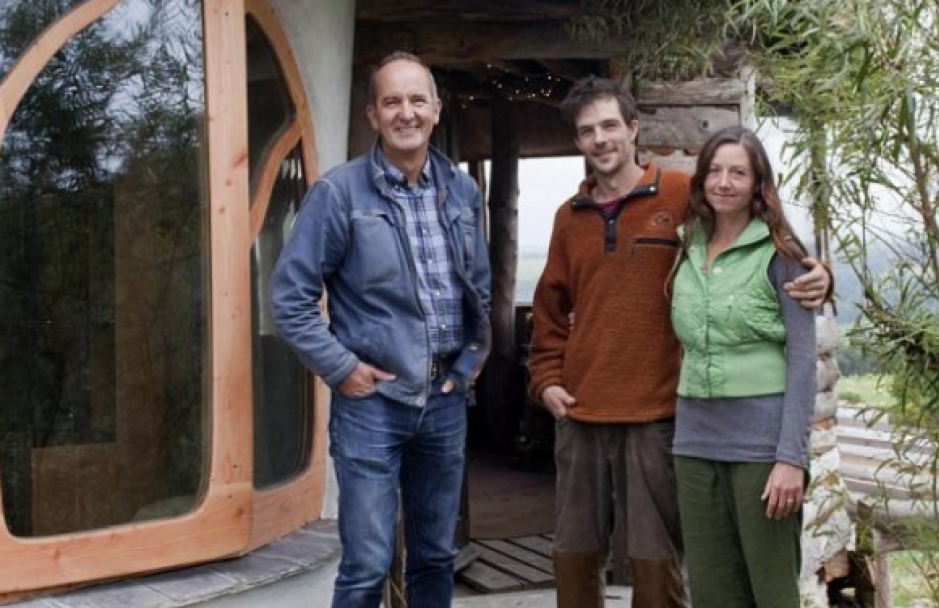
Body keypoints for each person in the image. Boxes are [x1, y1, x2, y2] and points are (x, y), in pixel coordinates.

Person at [528, 77, 830, 608]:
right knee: (574, 551)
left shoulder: (680, 197)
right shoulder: (568, 217)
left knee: (657, 560)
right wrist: (547, 379)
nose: (600, 139)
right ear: (578, 141)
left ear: (633, 129)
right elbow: (549, 307)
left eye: (610, 126)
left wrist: (816, 272)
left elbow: (749, 227)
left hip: (657, 414)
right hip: (581, 409)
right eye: (587, 131)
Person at [270, 52, 490, 608]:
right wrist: (342, 369)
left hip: (445, 399)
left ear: (436, 109)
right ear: (373, 114)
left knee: (435, 556)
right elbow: (289, 298)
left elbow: (479, 289)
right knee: (366, 568)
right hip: (372, 404)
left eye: (417, 100)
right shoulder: (339, 193)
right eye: (392, 101)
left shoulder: (462, 191)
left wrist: (470, 362)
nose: (405, 113)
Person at [670, 126, 816, 608]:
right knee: (711, 592)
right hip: (694, 444)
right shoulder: (686, 246)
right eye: (714, 171)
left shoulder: (783, 253)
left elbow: (802, 359)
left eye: (738, 172)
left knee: (772, 593)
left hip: (762, 448)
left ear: (758, 184)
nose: (724, 182)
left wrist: (791, 458)